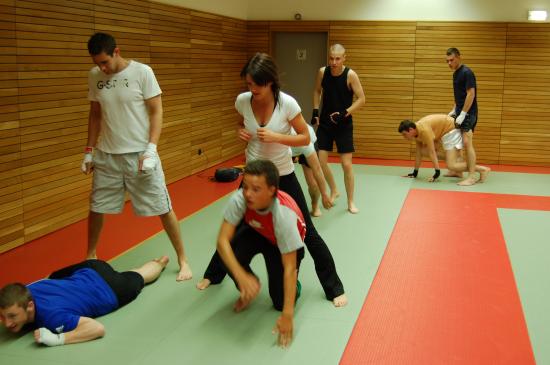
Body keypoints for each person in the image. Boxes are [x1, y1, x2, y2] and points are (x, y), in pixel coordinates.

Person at [197, 53, 347, 307]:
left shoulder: (287, 104)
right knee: (234, 225)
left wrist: (277, 137)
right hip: (253, 176)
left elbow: (304, 138)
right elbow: (241, 122)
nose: (251, 89)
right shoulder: (243, 101)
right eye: (248, 84)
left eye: (256, 85)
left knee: (308, 232)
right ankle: (214, 274)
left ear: (270, 83)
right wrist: (241, 132)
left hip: (283, 175)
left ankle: (334, 288)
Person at [81, 32, 191, 281]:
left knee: (163, 207)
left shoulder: (143, 72)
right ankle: (90, 256)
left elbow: (156, 112)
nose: (101, 67)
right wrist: (88, 151)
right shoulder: (95, 76)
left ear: (116, 52)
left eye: (105, 62)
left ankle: (183, 259)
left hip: (140, 155)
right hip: (107, 155)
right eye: (97, 63)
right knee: (96, 207)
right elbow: (95, 114)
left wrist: (151, 148)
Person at [215, 160, 305, 348]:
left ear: (272, 190)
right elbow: (222, 241)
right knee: (226, 258)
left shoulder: (284, 215)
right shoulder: (240, 198)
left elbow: (289, 267)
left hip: (282, 244)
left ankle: (295, 287)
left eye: (256, 189)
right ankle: (250, 288)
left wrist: (287, 315)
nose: (248, 194)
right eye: (246, 187)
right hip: (257, 231)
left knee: (280, 303)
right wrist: (243, 278)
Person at [0, 256, 169, 346]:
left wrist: (57, 339)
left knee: (141, 276)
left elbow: (97, 329)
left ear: (29, 306)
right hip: (90, 266)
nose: (7, 323)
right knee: (53, 276)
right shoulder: (26, 290)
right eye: (2, 317)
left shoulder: (52, 317)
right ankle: (122, 275)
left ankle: (161, 262)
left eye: (12, 316)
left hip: (110, 289)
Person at [312, 44, 365, 213]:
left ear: (344, 58)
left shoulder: (350, 75)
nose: (334, 62)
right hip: (326, 123)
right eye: (331, 58)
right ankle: (334, 189)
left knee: (346, 165)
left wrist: (345, 113)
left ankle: (350, 201)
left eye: (337, 58)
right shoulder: (322, 72)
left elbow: (362, 99)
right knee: (320, 162)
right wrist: (315, 110)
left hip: (343, 124)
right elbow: (317, 91)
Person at [398, 115, 490, 182]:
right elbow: (418, 153)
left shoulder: (424, 131)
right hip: (443, 134)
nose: (404, 137)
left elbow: (432, 152)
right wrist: (415, 172)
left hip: (451, 131)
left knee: (451, 165)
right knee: (422, 151)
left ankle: (481, 169)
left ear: (410, 130)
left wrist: (436, 173)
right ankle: (457, 171)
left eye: (404, 134)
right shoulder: (416, 132)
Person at [446, 47, 479, 186]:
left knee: (467, 143)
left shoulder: (467, 72)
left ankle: (471, 176)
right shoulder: (455, 74)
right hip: (459, 112)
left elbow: (471, 94)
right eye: (447, 61)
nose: (449, 63)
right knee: (457, 142)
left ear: (459, 57)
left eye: (451, 60)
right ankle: (458, 171)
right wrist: (454, 110)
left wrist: (464, 113)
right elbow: (459, 95)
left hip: (469, 113)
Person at [292, 124, 333, 217]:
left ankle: (315, 206)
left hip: (305, 143)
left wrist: (324, 194)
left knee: (312, 184)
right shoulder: (278, 142)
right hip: (284, 147)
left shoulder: (306, 142)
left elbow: (317, 169)